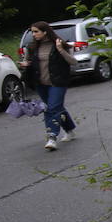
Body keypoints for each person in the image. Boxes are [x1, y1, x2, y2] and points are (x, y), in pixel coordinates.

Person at [20, 21, 78, 150]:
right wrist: (26, 65)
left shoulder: (60, 44)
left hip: (57, 83)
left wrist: (61, 50)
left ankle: (52, 137)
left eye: (36, 31)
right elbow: (28, 61)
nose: (33, 34)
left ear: (45, 32)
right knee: (57, 108)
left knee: (51, 108)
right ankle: (70, 130)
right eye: (32, 32)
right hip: (41, 84)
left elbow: (73, 62)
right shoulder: (32, 47)